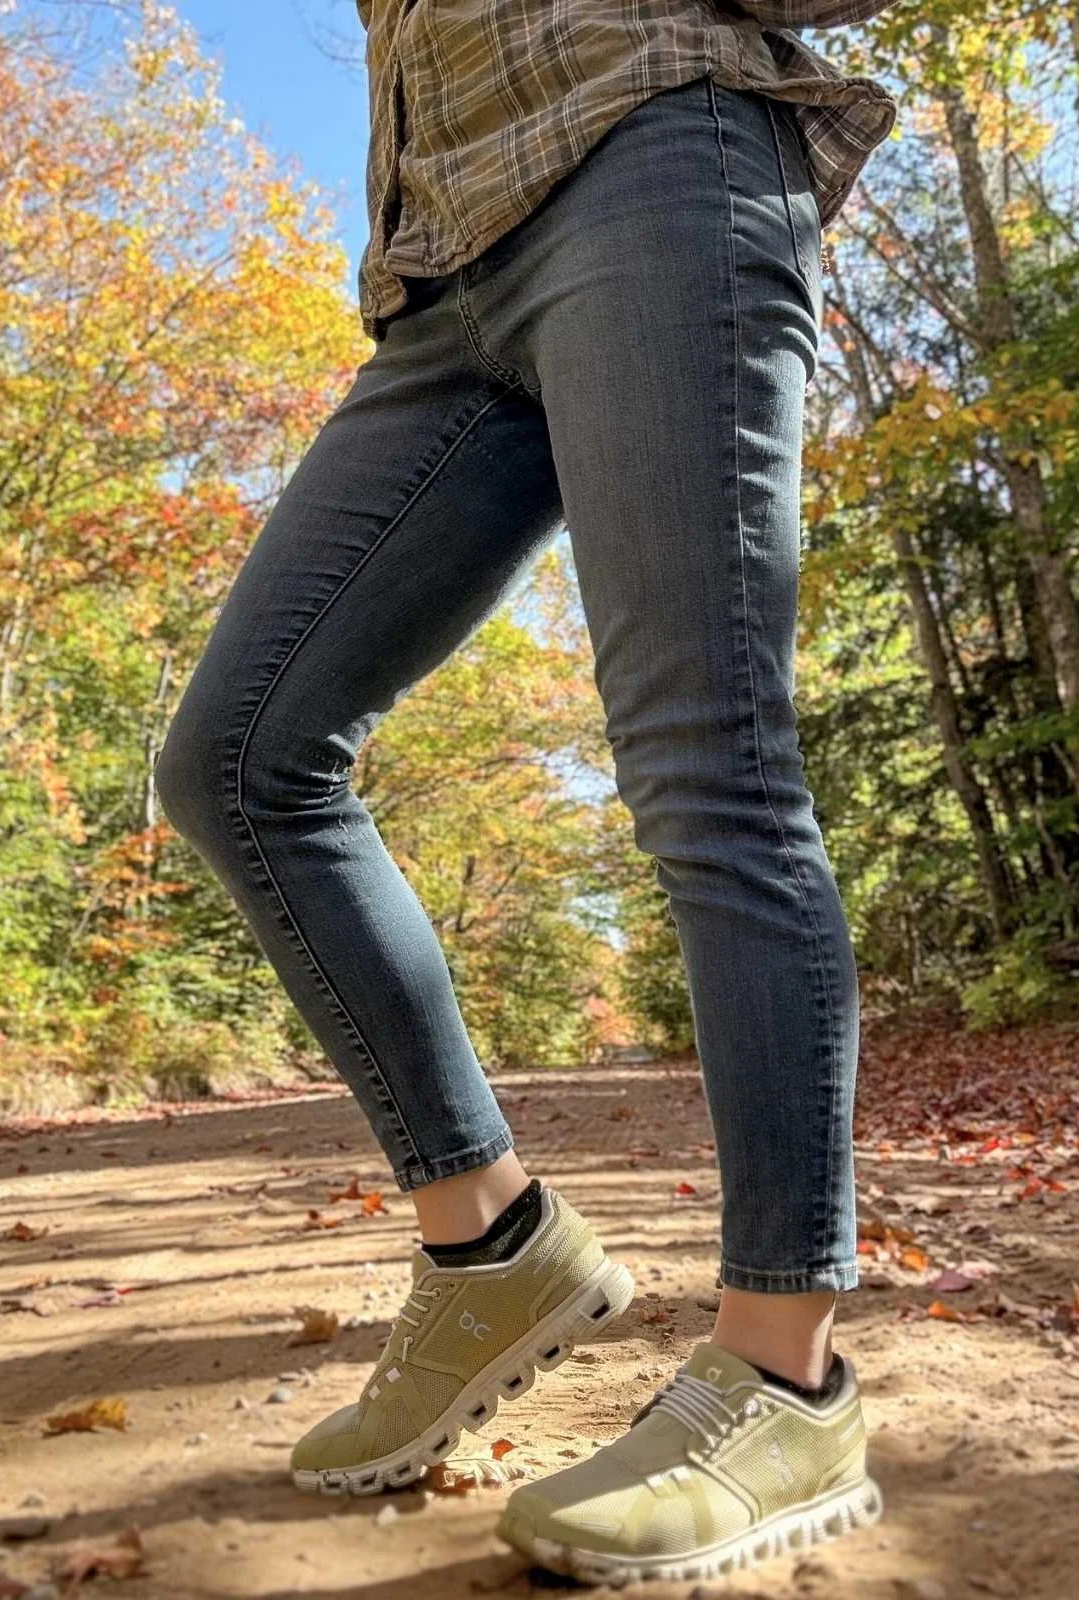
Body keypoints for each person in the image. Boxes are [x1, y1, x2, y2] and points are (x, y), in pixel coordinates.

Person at [152, 0, 899, 1582]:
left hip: (659, 153)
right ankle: (491, 1241)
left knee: (710, 765)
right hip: (439, 290)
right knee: (239, 759)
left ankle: (787, 1376)